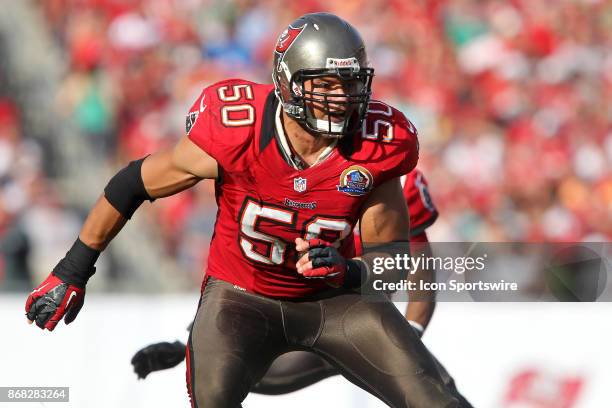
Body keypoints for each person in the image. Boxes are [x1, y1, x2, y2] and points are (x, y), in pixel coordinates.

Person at [25, 12, 467, 407]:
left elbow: (392, 256)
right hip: (240, 299)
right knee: (213, 399)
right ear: (288, 82)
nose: (343, 98)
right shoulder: (236, 127)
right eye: (326, 85)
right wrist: (72, 270)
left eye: (351, 85)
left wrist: (347, 271)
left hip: (338, 304)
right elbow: (132, 184)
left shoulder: (380, 145)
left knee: (435, 399)